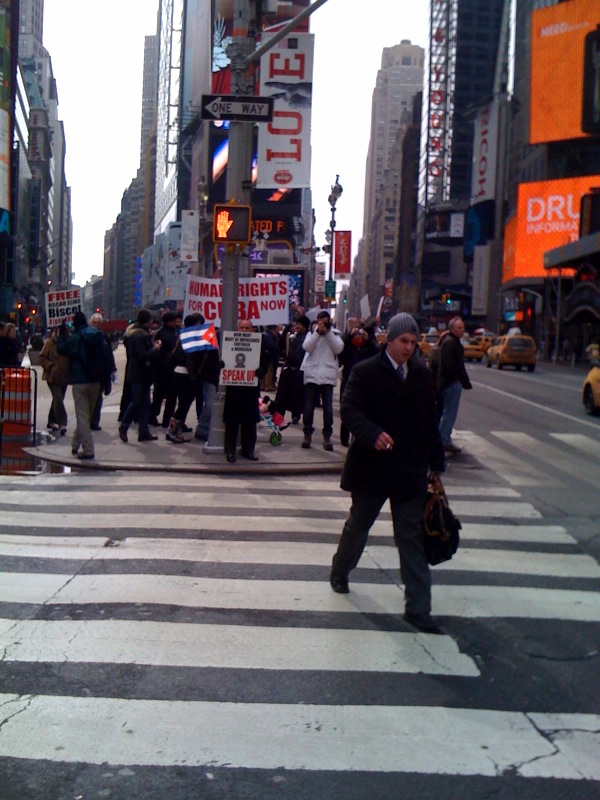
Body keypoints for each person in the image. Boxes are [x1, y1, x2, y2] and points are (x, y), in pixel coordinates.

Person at [329, 312, 446, 634]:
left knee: (410, 539)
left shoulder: (421, 376)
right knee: (358, 526)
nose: (409, 347)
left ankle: (418, 609)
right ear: (389, 341)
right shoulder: (365, 371)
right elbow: (350, 410)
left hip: (409, 469)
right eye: (403, 341)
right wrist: (372, 433)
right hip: (371, 467)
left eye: (413, 341)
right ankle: (340, 570)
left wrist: (437, 465)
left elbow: (429, 424)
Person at [57, 311, 111, 460]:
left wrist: (62, 333)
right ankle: (75, 444)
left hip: (80, 380)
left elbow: (61, 349)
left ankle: (88, 450)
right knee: (86, 416)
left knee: (82, 417)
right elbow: (106, 356)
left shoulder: (75, 339)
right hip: (96, 380)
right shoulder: (97, 336)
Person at [223, 319, 270, 463]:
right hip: (234, 388)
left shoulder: (259, 343)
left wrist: (261, 371)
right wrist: (221, 365)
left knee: (249, 421)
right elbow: (222, 360)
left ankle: (248, 450)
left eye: (247, 328)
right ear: (238, 328)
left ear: (252, 330)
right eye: (242, 327)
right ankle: (230, 451)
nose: (244, 330)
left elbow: (266, 360)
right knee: (232, 421)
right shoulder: (230, 342)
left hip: (251, 388)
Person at [300, 310, 344, 450]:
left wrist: (328, 332)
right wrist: (317, 333)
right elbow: (306, 347)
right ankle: (307, 435)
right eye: (320, 322)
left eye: (325, 322)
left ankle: (327, 437)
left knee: (328, 410)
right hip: (312, 374)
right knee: (308, 409)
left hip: (327, 376)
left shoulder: (335, 335)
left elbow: (338, 349)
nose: (322, 325)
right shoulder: (311, 334)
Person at [118, 308, 162, 444]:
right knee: (137, 401)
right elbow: (142, 355)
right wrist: (155, 348)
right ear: (147, 321)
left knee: (144, 404)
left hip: (140, 374)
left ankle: (144, 431)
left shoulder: (136, 334)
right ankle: (124, 426)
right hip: (139, 374)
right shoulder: (140, 336)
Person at [338, 316, 378, 447]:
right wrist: (350, 335)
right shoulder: (346, 342)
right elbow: (340, 354)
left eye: (357, 325)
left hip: (364, 383)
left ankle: (356, 438)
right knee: (346, 410)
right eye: (352, 324)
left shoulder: (367, 346)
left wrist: (368, 340)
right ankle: (344, 438)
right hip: (348, 381)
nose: (356, 329)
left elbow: (377, 355)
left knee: (362, 412)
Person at [437, 316, 472, 456]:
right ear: (452, 329)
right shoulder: (451, 343)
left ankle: (444, 438)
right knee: (449, 414)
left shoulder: (453, 342)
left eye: (463, 327)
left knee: (448, 413)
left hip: (449, 383)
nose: (462, 330)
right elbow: (452, 365)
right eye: (459, 328)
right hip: (450, 384)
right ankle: (443, 440)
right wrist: (460, 380)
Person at [273, 314, 310, 424]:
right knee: (282, 395)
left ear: (305, 327)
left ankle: (296, 415)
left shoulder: (307, 339)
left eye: (300, 324)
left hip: (299, 370)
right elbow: (282, 347)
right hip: (289, 368)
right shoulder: (292, 337)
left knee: (296, 396)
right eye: (297, 324)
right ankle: (279, 414)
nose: (297, 326)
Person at [149, 310, 181, 427]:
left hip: (161, 369)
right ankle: (165, 419)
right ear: (170, 321)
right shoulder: (172, 334)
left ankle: (152, 416)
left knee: (159, 395)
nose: (177, 322)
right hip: (168, 368)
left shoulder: (160, 333)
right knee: (170, 396)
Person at [39, 326, 69, 435]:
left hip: (64, 376)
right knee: (58, 398)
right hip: (52, 376)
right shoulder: (50, 343)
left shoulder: (68, 343)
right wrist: (50, 366)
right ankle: (62, 424)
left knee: (57, 400)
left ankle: (51, 421)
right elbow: (42, 357)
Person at [89, 312, 117, 431]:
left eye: (98, 323)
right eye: (94, 323)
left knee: (98, 399)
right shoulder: (86, 336)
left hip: (101, 374)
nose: (96, 325)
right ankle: (89, 421)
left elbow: (109, 354)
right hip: (89, 373)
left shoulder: (104, 337)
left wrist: (112, 369)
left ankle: (94, 422)